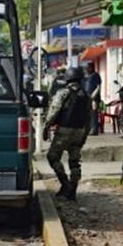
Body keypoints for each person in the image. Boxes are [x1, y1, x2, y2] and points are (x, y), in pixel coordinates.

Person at [43, 67, 92, 201]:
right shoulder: (86, 96)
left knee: (52, 156)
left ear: (67, 78)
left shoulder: (63, 93)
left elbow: (54, 111)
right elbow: (89, 118)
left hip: (64, 131)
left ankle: (65, 184)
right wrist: (84, 135)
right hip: (79, 131)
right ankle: (73, 190)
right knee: (75, 161)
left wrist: (46, 126)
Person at [84, 62, 102, 135]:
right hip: (89, 98)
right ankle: (91, 128)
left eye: (88, 68)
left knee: (94, 114)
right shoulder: (89, 76)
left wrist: (93, 96)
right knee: (90, 114)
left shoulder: (96, 75)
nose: (87, 69)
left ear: (92, 68)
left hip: (94, 98)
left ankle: (94, 130)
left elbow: (98, 87)